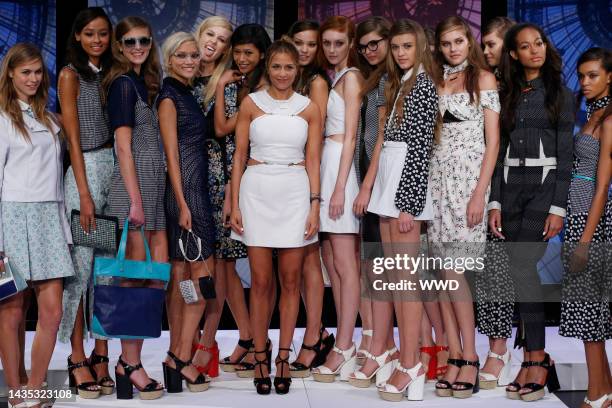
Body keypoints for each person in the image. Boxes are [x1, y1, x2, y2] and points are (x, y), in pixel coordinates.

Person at [489, 22, 575, 402]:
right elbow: (494, 151)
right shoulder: (505, 93)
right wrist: (493, 200)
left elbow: (567, 156)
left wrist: (558, 207)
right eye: (525, 47)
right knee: (516, 270)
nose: (534, 51)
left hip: (543, 189)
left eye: (538, 43)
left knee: (523, 266)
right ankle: (531, 358)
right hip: (508, 190)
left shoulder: (560, 92)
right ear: (514, 54)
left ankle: (537, 357)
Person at [230, 39, 322, 395]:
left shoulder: (310, 108)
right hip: (256, 190)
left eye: (289, 67)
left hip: (295, 191)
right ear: (267, 68)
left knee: (291, 280)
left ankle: (283, 355)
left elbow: (313, 159)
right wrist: (235, 202)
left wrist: (315, 204)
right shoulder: (251, 103)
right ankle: (259, 355)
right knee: (261, 282)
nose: (282, 73)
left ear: (297, 69)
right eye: (276, 66)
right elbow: (238, 156)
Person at [367, 18, 438, 401]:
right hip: (389, 182)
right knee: (396, 282)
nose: (400, 52)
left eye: (407, 46)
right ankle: (407, 360)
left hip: (405, 187)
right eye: (396, 47)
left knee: (406, 283)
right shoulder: (400, 84)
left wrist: (408, 204)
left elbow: (421, 148)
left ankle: (412, 364)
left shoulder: (423, 86)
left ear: (421, 47)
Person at [0, 42, 74, 408]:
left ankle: (33, 385)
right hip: (12, 218)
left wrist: (63, 230)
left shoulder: (50, 118)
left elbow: (57, 181)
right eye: (25, 72)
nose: (32, 78)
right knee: (12, 310)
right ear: (10, 74)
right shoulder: (0, 118)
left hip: (49, 218)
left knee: (53, 311)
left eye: (37, 72)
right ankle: (15, 391)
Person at [429, 15, 500, 399]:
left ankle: (471, 358)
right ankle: (453, 354)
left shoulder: (482, 78)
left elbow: (493, 144)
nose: (453, 48)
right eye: (446, 43)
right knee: (440, 273)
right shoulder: (436, 80)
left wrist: (479, 195)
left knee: (455, 273)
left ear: (468, 42)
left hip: (468, 184)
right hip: (436, 184)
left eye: (459, 41)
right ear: (438, 47)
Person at [102, 16, 166, 400]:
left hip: (150, 191)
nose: (138, 47)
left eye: (144, 40)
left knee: (150, 278)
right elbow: (122, 147)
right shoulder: (124, 85)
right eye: (130, 41)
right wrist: (136, 200)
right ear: (119, 45)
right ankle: (128, 363)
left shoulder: (142, 82)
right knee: (132, 280)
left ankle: (132, 360)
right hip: (133, 194)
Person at [57, 7, 114, 399]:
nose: (97, 40)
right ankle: (77, 357)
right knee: (79, 270)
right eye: (90, 34)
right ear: (77, 36)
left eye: (103, 34)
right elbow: (73, 139)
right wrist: (85, 192)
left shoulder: (111, 72)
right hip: (85, 172)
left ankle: (102, 354)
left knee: (106, 270)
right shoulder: (69, 75)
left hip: (112, 167)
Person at [213, 23, 272, 377]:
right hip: (231, 177)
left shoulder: (263, 89)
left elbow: (231, 135)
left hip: (251, 180)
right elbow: (221, 129)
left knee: (259, 269)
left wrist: (232, 194)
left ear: (263, 54)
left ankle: (255, 341)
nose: (241, 58)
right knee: (229, 264)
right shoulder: (239, 84)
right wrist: (221, 86)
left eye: (249, 52)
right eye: (237, 52)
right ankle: (248, 337)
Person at [158, 31, 214, 394]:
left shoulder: (187, 93)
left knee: (184, 278)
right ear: (169, 59)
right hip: (187, 196)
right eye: (182, 56)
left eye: (194, 55)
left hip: (194, 194)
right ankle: (179, 357)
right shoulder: (168, 98)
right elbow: (171, 157)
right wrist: (182, 204)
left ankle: (175, 356)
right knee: (200, 281)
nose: (190, 60)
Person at [348, 15, 399, 388]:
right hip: (369, 180)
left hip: (383, 185)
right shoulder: (372, 79)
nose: (370, 50)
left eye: (376, 43)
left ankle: (385, 346)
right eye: (364, 45)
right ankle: (382, 344)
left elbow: (382, 138)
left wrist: (366, 186)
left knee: (383, 271)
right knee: (372, 269)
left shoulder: (392, 81)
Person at [311, 16, 363, 383]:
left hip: (340, 172)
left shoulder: (353, 78)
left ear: (350, 43)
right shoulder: (337, 77)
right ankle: (346, 342)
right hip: (329, 166)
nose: (331, 49)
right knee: (335, 264)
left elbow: (351, 137)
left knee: (346, 265)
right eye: (326, 43)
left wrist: (342, 186)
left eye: (338, 43)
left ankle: (345, 344)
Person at [559, 47, 611, 408]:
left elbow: (603, 185)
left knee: (589, 312)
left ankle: (597, 395)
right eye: (581, 76)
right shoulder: (593, 112)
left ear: (610, 76)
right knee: (585, 309)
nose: (585, 82)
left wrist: (585, 241)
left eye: (593, 75)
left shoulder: (609, 119)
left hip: (593, 222)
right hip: (577, 216)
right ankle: (605, 390)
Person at [286, 19, 335, 378]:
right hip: (286, 177)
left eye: (310, 44)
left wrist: (310, 189)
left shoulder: (316, 82)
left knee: (309, 259)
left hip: (305, 175)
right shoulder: (290, 79)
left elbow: (313, 141)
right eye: (298, 43)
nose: (304, 49)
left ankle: (314, 335)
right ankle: (315, 333)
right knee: (298, 262)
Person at [190, 15, 233, 378]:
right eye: (210, 35)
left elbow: (232, 138)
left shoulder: (228, 82)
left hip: (216, 178)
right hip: (181, 178)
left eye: (221, 40)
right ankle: (188, 339)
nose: (213, 43)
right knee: (187, 267)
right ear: (199, 35)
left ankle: (208, 343)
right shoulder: (178, 72)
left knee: (214, 267)